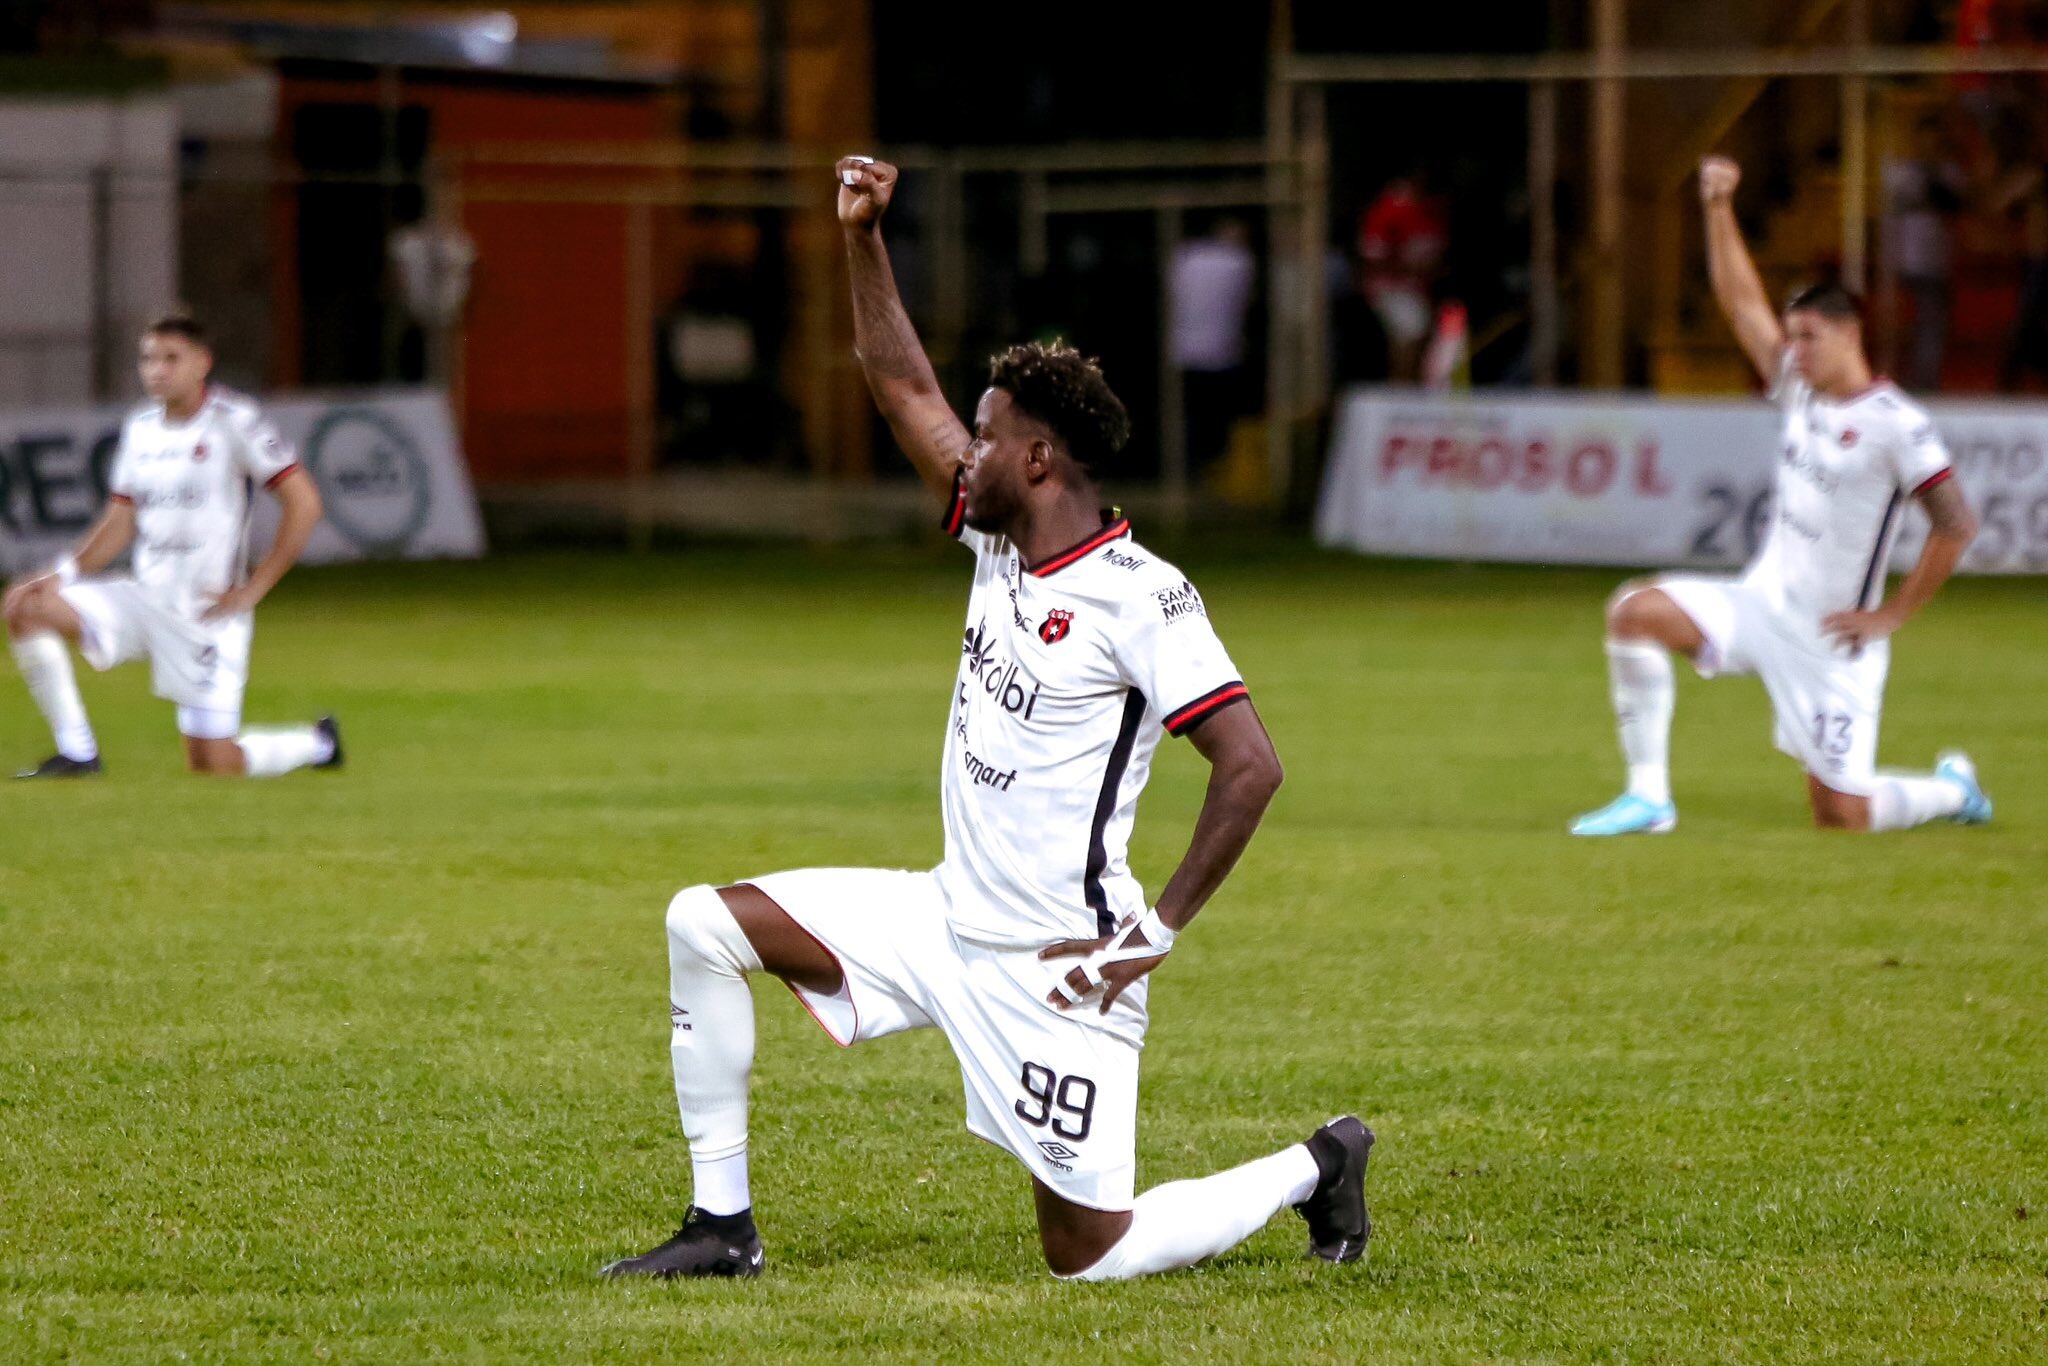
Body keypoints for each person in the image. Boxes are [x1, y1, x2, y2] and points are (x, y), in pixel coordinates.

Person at [602, 156, 1373, 1283]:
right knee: (699, 923)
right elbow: (894, 379)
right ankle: (722, 1225)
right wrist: (863, 238)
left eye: (986, 430)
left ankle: (1317, 1164)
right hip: (940, 917)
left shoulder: (1142, 596)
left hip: (1055, 963)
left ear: (1039, 457)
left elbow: (1249, 765)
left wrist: (1150, 932)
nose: (965, 446)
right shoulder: (995, 534)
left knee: (1088, 1259)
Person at [1571, 157, 1990, 838]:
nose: (1792, 351)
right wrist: (1717, 208)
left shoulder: (1897, 424)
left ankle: (1951, 790)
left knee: (1842, 817)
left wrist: (1891, 615)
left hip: (1831, 642)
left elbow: (1956, 524)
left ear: (1850, 334)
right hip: (1759, 606)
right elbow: (1740, 303)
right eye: (1789, 336)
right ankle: (1649, 799)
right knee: (1633, 612)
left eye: (1807, 337)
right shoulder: (1798, 389)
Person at [4, 311, 342, 779]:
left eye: (171, 358)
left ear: (202, 363)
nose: (156, 370)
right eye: (148, 359)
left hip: (206, 614)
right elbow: (120, 523)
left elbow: (303, 502)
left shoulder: (233, 422)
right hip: (144, 599)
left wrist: (254, 589)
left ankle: (317, 743)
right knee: (25, 606)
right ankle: (78, 752)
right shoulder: (140, 427)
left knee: (213, 764)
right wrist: (60, 573)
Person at [1168, 216, 1256, 475]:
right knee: (1218, 418)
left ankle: (1192, 468)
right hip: (1223, 352)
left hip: (1187, 349)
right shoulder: (1240, 261)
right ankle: (1213, 467)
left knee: (1193, 416)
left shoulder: (1187, 257)